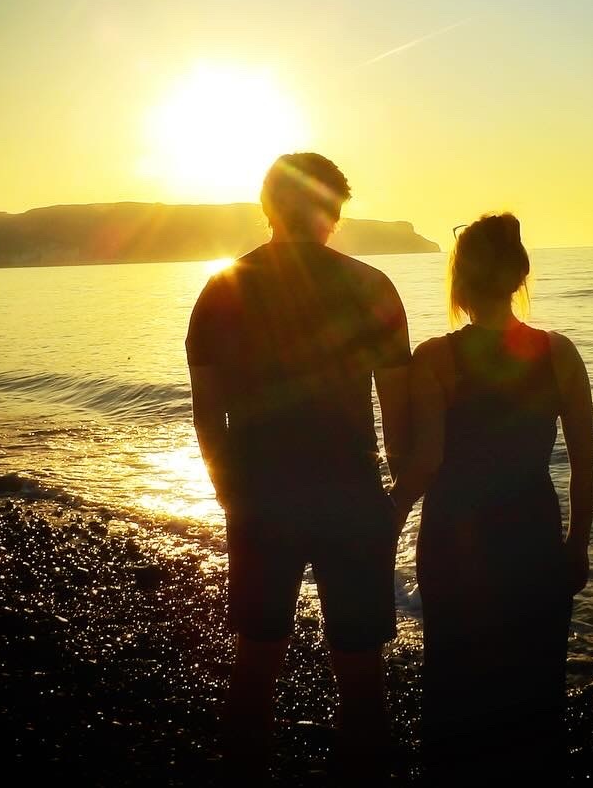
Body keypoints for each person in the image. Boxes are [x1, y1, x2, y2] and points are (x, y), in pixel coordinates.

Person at [185, 152, 414, 782]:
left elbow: (209, 419)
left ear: (266, 209)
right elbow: (399, 422)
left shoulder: (222, 288)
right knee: (363, 677)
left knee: (255, 667)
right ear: (333, 214)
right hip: (352, 499)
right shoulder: (372, 288)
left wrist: (230, 493)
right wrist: (397, 501)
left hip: (261, 498)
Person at [396, 212, 593, 778]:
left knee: (454, 689)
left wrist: (387, 521)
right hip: (530, 537)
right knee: (533, 694)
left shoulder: (436, 357)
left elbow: (425, 464)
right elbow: (584, 463)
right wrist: (576, 543)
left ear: (460, 282)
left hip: (455, 542)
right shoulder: (559, 353)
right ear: (518, 276)